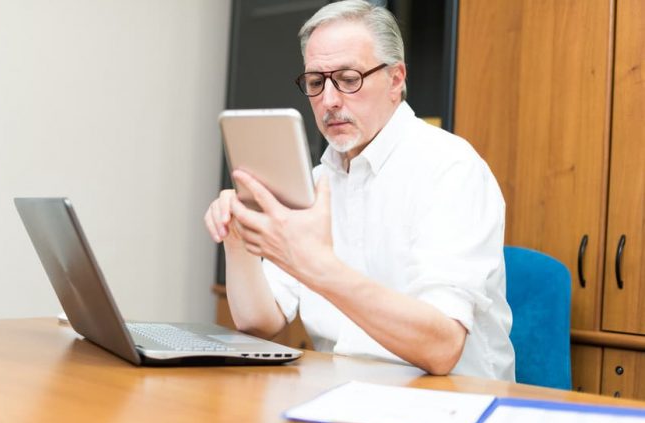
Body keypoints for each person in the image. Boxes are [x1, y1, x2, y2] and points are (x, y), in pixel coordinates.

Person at [204, 0, 515, 380]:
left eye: (349, 79)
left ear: (396, 79)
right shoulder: (319, 181)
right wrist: (239, 241)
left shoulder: (450, 168)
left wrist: (320, 268)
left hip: (448, 403)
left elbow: (441, 347)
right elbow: (260, 322)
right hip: (342, 393)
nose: (329, 101)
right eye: (316, 83)